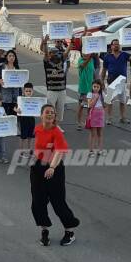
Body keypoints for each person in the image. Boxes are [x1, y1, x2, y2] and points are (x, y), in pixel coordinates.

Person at [31, 104, 80, 247]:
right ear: (41, 115)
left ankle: (69, 231)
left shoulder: (57, 131)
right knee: (38, 202)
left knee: (58, 203)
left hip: (54, 170)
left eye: (52, 113)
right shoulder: (38, 128)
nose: (50, 114)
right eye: (47, 112)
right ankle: (44, 231)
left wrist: (52, 166)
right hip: (38, 168)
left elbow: (60, 150)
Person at [102, 39, 131, 124]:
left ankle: (123, 117)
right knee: (109, 101)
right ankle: (109, 118)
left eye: (118, 44)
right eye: (115, 44)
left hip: (122, 81)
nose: (116, 46)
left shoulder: (124, 55)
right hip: (111, 80)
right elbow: (104, 70)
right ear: (111, 46)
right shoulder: (107, 57)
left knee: (122, 101)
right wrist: (102, 81)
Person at [41, 36, 70, 120]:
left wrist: (71, 42)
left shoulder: (61, 60)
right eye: (53, 53)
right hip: (51, 90)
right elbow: (46, 53)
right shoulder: (47, 63)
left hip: (62, 90)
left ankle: (56, 126)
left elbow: (67, 52)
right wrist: (45, 42)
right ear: (50, 54)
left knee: (60, 112)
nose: (55, 55)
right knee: (50, 111)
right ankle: (50, 128)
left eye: (57, 53)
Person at [0, 49, 22, 116]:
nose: (11, 57)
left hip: (15, 95)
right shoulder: (2, 65)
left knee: (14, 115)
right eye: (10, 56)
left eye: (13, 56)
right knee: (4, 114)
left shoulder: (16, 67)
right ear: (7, 57)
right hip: (5, 95)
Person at [76, 51, 100, 131]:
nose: (85, 54)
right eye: (84, 53)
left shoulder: (92, 60)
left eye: (87, 53)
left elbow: (94, 72)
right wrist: (89, 57)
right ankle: (79, 123)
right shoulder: (80, 60)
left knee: (90, 106)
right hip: (83, 88)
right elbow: (83, 65)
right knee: (81, 106)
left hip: (91, 88)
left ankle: (88, 121)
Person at [15, 82, 38, 153]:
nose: (28, 92)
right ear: (24, 91)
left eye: (30, 91)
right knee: (23, 137)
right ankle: (21, 151)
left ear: (32, 91)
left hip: (31, 120)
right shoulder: (21, 100)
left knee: (30, 136)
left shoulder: (35, 100)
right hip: (23, 120)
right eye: (26, 91)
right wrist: (17, 110)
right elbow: (15, 108)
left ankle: (30, 149)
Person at [84, 80, 105, 154]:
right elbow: (89, 105)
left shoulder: (102, 94)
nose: (96, 88)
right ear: (92, 87)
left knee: (100, 133)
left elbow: (104, 104)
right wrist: (95, 98)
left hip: (100, 114)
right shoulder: (90, 94)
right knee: (93, 133)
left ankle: (100, 149)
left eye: (97, 87)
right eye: (94, 86)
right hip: (93, 113)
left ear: (100, 87)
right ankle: (91, 150)